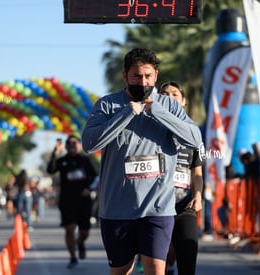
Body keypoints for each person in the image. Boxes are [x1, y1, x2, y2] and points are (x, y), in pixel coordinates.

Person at [81, 48, 202, 275]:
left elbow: (195, 139)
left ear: (155, 76)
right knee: (121, 270)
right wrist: (126, 113)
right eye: (136, 76)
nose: (142, 81)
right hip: (117, 208)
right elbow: (89, 143)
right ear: (125, 76)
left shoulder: (170, 106)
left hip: (158, 207)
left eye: (147, 76)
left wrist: (157, 111)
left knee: (156, 268)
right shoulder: (107, 105)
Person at [158, 81, 204, 275]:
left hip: (184, 205)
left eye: (175, 94)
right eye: (165, 94)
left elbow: (197, 172)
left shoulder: (193, 133)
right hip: (156, 206)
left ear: (183, 101)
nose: (170, 97)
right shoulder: (150, 130)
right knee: (157, 264)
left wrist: (198, 196)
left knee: (188, 259)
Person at [46, 135, 98, 269]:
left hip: (84, 201)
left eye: (74, 143)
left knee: (84, 231)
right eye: (69, 143)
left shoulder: (86, 160)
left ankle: (80, 243)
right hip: (67, 201)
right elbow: (50, 170)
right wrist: (55, 153)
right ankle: (73, 257)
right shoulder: (62, 161)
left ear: (79, 145)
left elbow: (97, 177)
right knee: (69, 228)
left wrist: (89, 188)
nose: (72, 145)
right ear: (66, 146)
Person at [6, 161, 32, 229]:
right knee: (28, 210)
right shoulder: (27, 179)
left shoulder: (19, 178)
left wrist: (10, 167)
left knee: (19, 210)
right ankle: (29, 224)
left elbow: (14, 173)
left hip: (21, 194)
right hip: (28, 195)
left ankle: (19, 224)